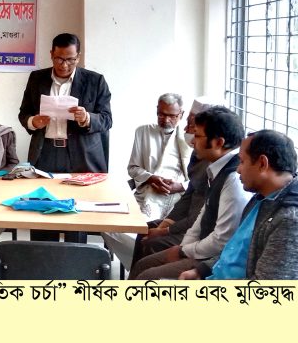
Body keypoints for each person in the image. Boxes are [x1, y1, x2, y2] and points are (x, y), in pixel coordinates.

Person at [129, 106, 251, 279]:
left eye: (198, 136)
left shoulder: (233, 179)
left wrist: (183, 250)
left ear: (219, 142)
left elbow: (221, 240)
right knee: (143, 264)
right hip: (198, 245)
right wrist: (181, 249)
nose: (193, 141)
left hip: (213, 259)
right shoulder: (216, 167)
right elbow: (202, 217)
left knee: (147, 275)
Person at [18, 32, 112, 241]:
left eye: (70, 59)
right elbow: (24, 113)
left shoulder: (95, 81)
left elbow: (107, 120)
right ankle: (42, 256)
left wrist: (87, 118)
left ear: (78, 57)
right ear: (51, 54)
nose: (64, 65)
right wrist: (34, 122)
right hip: (46, 152)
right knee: (42, 209)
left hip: (81, 155)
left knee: (76, 214)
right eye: (59, 59)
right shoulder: (37, 78)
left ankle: (74, 257)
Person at [179, 130, 298, 280]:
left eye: (242, 161)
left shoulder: (289, 220)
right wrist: (201, 271)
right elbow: (234, 250)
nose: (238, 169)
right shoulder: (260, 198)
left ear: (262, 163)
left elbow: (267, 289)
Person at [103, 93, 191, 270]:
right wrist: (151, 177)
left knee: (155, 234)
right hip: (147, 192)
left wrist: (180, 186)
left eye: (172, 116)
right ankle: (143, 263)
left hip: (178, 198)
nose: (166, 119)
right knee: (108, 226)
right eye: (161, 114)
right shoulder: (143, 132)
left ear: (181, 115)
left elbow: (198, 180)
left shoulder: (190, 138)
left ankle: (145, 263)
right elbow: (133, 168)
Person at [130, 96, 220, 266]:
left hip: (200, 234)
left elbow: (199, 217)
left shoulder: (218, 168)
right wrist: (165, 225)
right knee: (144, 230)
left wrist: (166, 231)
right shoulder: (199, 154)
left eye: (192, 126)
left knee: (148, 250)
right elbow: (190, 195)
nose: (186, 129)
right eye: (161, 114)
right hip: (170, 208)